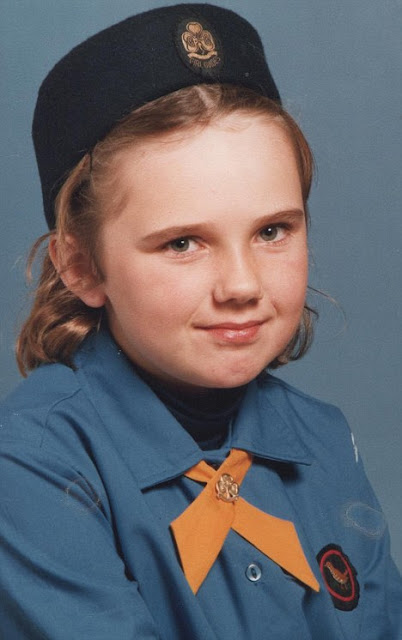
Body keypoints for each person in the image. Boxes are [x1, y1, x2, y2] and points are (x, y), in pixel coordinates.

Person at [0, 4, 400, 638]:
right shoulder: (30, 464)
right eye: (182, 243)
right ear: (80, 265)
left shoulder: (325, 440)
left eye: (272, 231)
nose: (242, 286)